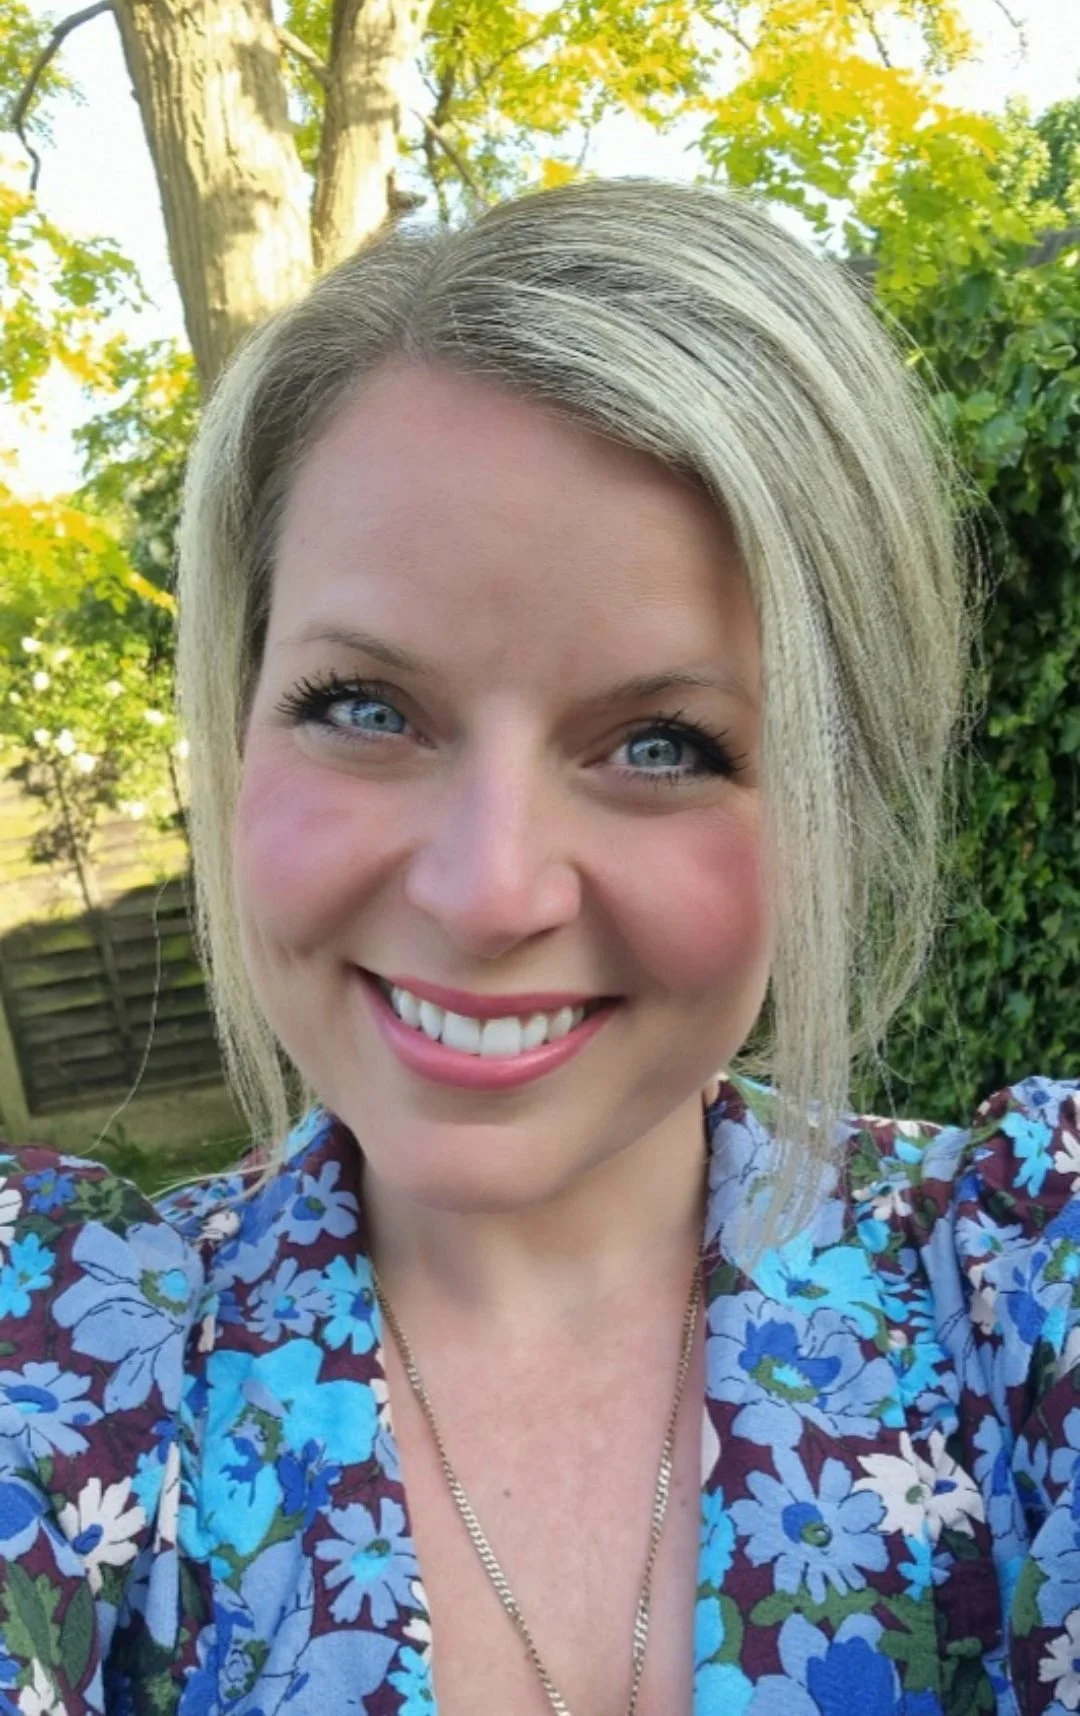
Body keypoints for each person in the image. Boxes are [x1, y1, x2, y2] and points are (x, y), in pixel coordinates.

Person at [0, 176, 1073, 1716]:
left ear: (837, 798)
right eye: (365, 708)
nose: (489, 892)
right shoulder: (62, 1368)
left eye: (663, 742)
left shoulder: (1025, 1304)